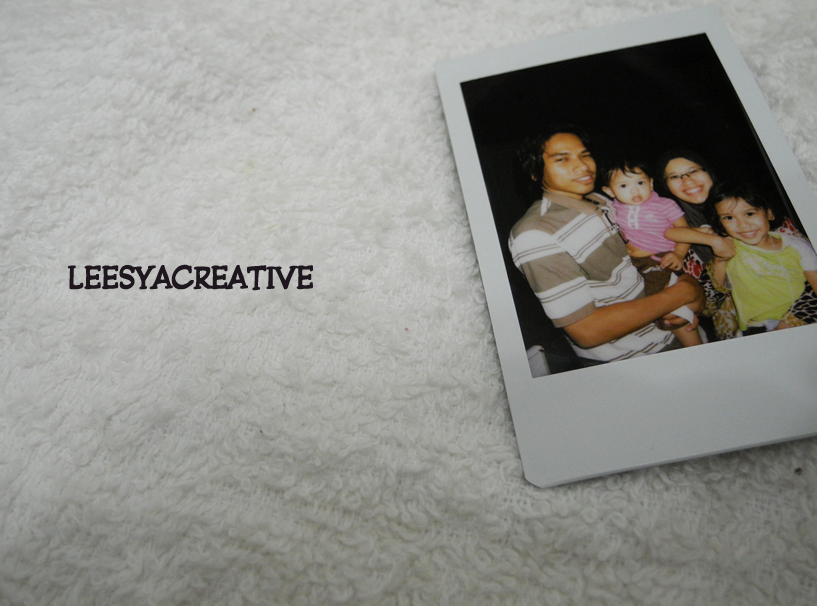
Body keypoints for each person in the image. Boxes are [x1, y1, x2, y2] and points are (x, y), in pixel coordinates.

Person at [508, 126, 704, 366]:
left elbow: (649, 251)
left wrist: (683, 293)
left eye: (584, 154)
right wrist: (683, 293)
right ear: (534, 172)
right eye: (563, 159)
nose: (583, 166)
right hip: (637, 360)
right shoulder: (534, 233)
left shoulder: (603, 201)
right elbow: (587, 331)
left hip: (682, 332)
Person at [657, 149, 817, 337]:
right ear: (666, 185)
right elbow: (706, 305)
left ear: (709, 171)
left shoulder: (754, 207)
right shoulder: (679, 240)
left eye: (693, 171)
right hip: (743, 329)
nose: (687, 180)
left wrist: (792, 320)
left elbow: (808, 270)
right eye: (674, 176)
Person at [601, 159, 701, 347]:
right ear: (610, 191)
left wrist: (679, 254)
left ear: (651, 183)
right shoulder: (614, 207)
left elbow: (685, 231)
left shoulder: (664, 205)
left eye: (640, 182)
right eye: (623, 186)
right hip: (631, 262)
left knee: (665, 302)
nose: (634, 190)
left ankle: (695, 345)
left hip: (659, 260)